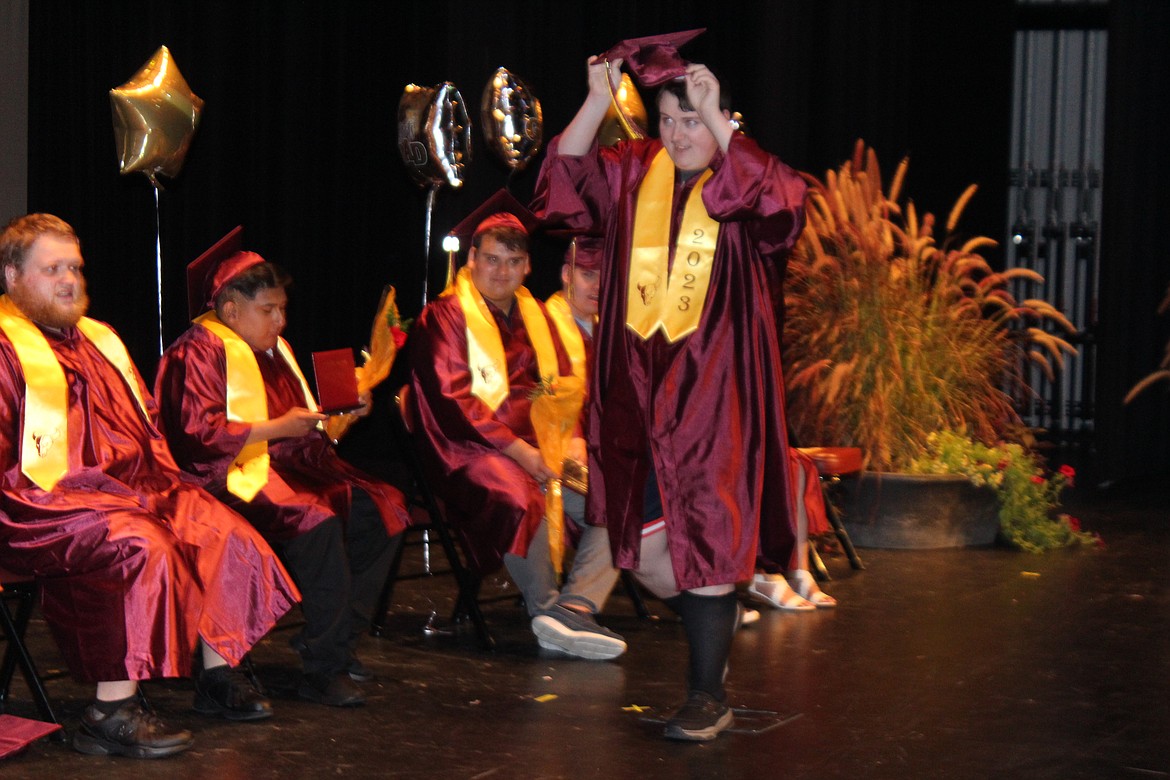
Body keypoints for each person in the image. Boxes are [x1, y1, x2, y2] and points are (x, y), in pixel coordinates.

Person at [534, 29, 809, 740]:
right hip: (635, 398)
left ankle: (705, 695)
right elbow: (561, 190)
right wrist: (597, 102)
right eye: (669, 120)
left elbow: (785, 205)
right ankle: (716, 617)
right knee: (657, 562)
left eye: (693, 120)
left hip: (716, 400)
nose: (680, 134)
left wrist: (720, 119)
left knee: (709, 543)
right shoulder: (632, 172)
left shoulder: (739, 180)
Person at [0, 214, 300, 759]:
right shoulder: (3, 348)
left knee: (217, 527)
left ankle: (216, 674)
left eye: (75, 268)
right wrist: (105, 498)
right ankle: (108, 711)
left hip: (127, 488)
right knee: (141, 542)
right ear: (13, 276)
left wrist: (168, 488)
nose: (70, 280)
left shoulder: (101, 339)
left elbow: (148, 430)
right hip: (33, 503)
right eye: (52, 269)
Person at [154, 227, 411, 707]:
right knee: (316, 520)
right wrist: (276, 427)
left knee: (385, 506)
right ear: (230, 310)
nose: (280, 320)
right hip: (222, 478)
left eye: (283, 309)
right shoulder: (198, 352)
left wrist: (340, 417)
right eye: (268, 310)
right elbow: (197, 438)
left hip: (292, 467)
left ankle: (335, 640)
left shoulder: (277, 351)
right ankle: (323, 668)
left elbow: (305, 433)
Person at [408, 190, 625, 661]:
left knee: (615, 495)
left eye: (513, 261)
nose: (501, 271)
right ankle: (544, 608)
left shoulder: (536, 316)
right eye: (491, 259)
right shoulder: (442, 317)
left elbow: (567, 386)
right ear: (471, 259)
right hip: (466, 454)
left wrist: (572, 439)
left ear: (528, 267)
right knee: (518, 493)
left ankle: (573, 607)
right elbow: (454, 402)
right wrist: (523, 453)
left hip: (540, 450)